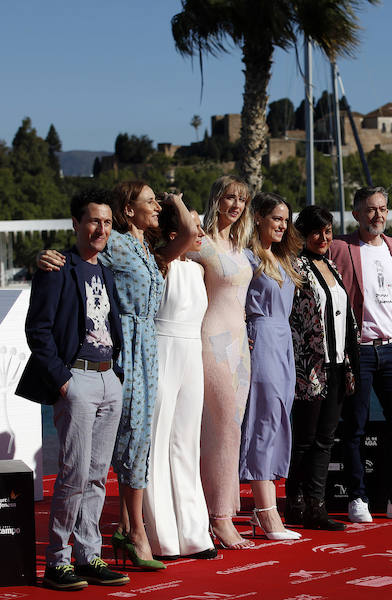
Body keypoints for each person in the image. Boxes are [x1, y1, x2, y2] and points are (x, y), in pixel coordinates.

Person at [38, 182, 196, 568]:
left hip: (132, 358)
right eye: (150, 200)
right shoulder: (111, 247)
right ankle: (68, 554)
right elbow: (76, 254)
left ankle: (105, 544)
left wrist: (174, 201)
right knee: (81, 468)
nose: (101, 230)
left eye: (105, 222)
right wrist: (40, 257)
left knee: (118, 455)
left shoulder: (137, 253)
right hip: (99, 364)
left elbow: (189, 236)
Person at [16, 188, 130, 590]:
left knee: (99, 475)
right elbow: (38, 331)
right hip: (76, 379)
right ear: (76, 224)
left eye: (108, 222)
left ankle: (89, 556)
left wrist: (115, 374)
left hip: (107, 377)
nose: (101, 229)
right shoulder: (56, 268)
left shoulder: (107, 271)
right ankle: (57, 561)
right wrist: (64, 382)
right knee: (73, 474)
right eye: (94, 221)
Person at [328, 186, 392, 522]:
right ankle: (357, 497)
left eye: (383, 209)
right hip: (358, 352)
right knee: (354, 427)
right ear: (357, 213)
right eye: (371, 210)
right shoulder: (340, 248)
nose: (379, 216)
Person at [142, 205, 218, 559]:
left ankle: (194, 533)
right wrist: (174, 200)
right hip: (161, 350)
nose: (201, 233)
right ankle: (161, 538)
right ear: (175, 235)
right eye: (195, 227)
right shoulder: (160, 261)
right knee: (156, 443)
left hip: (191, 355)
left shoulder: (197, 270)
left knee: (187, 443)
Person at [189, 175, 255, 550]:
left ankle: (221, 510)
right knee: (220, 429)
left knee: (232, 428)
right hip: (212, 341)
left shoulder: (238, 246)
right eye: (229, 197)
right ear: (216, 199)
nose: (235, 205)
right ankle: (218, 517)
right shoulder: (202, 242)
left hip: (239, 345)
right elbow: (167, 251)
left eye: (241, 200)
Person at [287, 205, 359, 531]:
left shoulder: (332, 265)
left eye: (328, 231)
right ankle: (295, 502)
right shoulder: (295, 267)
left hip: (336, 362)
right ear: (302, 234)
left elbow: (347, 318)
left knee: (325, 439)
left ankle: (316, 504)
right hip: (308, 366)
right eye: (316, 232)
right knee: (304, 439)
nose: (323, 238)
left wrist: (349, 364)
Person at [239, 192, 302, 540]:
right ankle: (265, 511)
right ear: (259, 218)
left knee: (278, 419)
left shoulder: (284, 259)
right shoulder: (248, 258)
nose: (281, 225)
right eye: (276, 218)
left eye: (285, 220)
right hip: (260, 337)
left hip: (283, 343)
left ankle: (262, 510)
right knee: (262, 420)